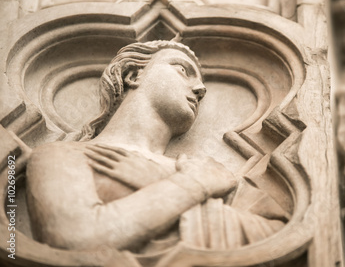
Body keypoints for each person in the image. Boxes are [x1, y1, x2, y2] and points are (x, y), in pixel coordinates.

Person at [26, 40, 287, 256]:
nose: (200, 88)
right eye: (183, 70)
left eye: (201, 85)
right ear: (133, 75)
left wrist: (170, 181)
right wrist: (190, 186)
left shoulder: (212, 173)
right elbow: (74, 239)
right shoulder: (61, 157)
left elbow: (278, 237)